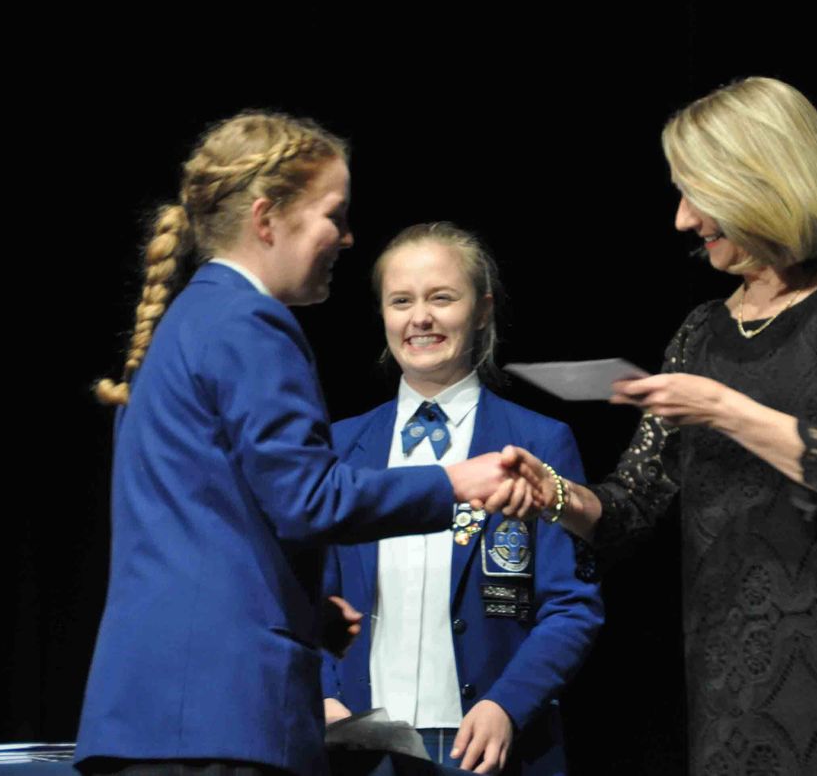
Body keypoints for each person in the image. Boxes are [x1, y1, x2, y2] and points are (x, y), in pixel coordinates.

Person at [502, 78, 817, 774]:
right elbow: (631, 508)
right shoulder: (701, 331)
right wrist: (553, 493)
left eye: (696, 193)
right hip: (740, 678)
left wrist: (722, 408)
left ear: (760, 182)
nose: (682, 219)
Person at [74, 113, 513, 776]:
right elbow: (309, 499)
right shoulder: (250, 322)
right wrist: (455, 482)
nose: (346, 236)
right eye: (333, 215)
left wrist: (300, 612)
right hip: (221, 717)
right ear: (267, 218)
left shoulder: (188, 321)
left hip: (154, 709)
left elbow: (205, 519)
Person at [320, 223, 603, 775]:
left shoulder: (538, 442)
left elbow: (572, 604)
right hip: (360, 744)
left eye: (442, 298)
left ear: (481, 311)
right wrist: (325, 694)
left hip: (488, 747)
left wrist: (507, 704)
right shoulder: (339, 446)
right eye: (401, 301)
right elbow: (303, 594)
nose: (420, 317)